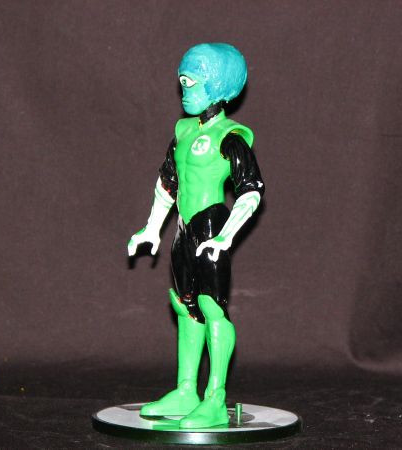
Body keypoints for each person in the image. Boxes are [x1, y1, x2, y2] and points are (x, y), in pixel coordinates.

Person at [127, 43, 264, 429]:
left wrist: (225, 236)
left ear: (217, 85)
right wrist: (152, 227)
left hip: (211, 226)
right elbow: (168, 182)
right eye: (182, 80)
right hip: (184, 231)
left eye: (191, 81)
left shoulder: (231, 136)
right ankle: (186, 389)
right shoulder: (183, 131)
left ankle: (215, 398)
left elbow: (251, 190)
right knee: (185, 305)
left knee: (212, 307)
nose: (183, 88)